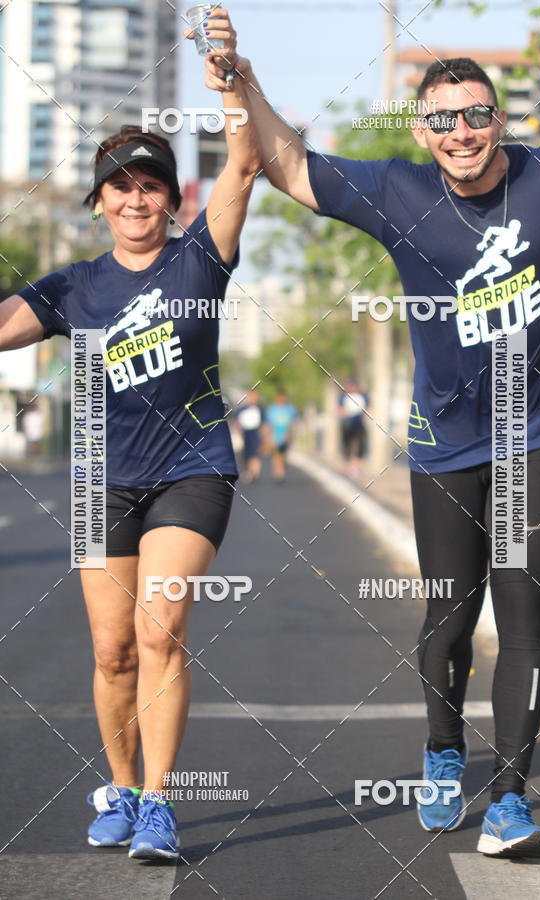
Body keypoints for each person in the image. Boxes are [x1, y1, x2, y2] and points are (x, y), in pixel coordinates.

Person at [204, 32, 540, 858]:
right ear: (421, 130)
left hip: (535, 434)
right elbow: (288, 165)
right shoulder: (400, 191)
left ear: (500, 119)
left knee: (523, 617)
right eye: (443, 121)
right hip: (444, 445)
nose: (462, 133)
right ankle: (443, 749)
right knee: (450, 616)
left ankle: (509, 804)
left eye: (477, 115)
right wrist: (243, 82)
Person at [0, 10, 259, 860]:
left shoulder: (201, 259)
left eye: (152, 184)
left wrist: (228, 79)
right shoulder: (72, 286)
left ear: (173, 197)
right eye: (121, 186)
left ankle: (158, 802)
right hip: (98, 481)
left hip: (192, 468)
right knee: (112, 651)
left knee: (159, 629)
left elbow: (245, 162)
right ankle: (118, 785)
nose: (137, 197)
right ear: (100, 201)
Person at [338, 379, 368, 478]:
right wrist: (345, 413)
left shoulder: (363, 396)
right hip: (347, 423)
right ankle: (346, 467)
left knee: (360, 445)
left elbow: (369, 407)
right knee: (346, 445)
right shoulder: (343, 396)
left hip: (359, 424)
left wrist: (364, 415)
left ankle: (358, 467)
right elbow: (340, 409)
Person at [235, 387, 266, 482]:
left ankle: (254, 473)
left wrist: (264, 436)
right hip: (245, 434)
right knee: (246, 454)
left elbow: (264, 424)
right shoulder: (242, 409)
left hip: (256, 433)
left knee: (255, 454)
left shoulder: (260, 409)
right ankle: (248, 471)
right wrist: (239, 431)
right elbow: (236, 421)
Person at [265, 390, 297, 481]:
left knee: (283, 454)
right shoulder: (272, 409)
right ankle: (278, 473)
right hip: (275, 435)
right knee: (276, 454)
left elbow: (294, 421)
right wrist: (269, 436)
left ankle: (282, 467)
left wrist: (290, 432)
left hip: (286, 435)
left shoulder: (290, 409)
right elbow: (268, 423)